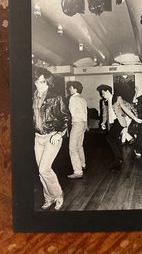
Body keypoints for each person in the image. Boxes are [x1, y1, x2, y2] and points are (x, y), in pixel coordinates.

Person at [32, 67, 69, 210]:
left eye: (41, 81)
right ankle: (49, 198)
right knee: (41, 171)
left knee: (44, 169)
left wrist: (59, 133)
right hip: (38, 137)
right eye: (36, 81)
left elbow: (66, 117)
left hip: (52, 136)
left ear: (48, 82)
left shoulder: (56, 97)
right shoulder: (33, 97)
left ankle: (58, 194)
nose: (37, 84)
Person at [97, 84, 142, 171]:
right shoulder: (104, 101)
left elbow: (125, 108)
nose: (102, 95)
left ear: (107, 91)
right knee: (114, 139)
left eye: (103, 93)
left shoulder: (117, 98)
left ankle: (118, 159)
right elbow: (104, 113)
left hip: (119, 121)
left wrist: (135, 118)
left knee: (110, 137)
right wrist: (103, 123)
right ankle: (120, 158)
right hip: (111, 122)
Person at [67, 81, 88, 179]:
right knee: (79, 145)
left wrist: (73, 123)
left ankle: (78, 171)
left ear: (75, 89)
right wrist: (86, 125)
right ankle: (83, 164)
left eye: (70, 88)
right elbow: (85, 113)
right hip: (83, 123)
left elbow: (72, 113)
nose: (69, 89)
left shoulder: (73, 98)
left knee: (72, 147)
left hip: (77, 123)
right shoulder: (82, 99)